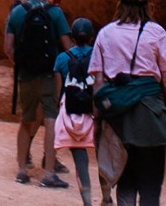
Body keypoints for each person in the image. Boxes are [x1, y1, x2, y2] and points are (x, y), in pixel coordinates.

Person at [91, 0, 166, 206]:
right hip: (151, 117)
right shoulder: (157, 32)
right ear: (147, 5)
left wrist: (97, 117)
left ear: (120, 3)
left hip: (118, 117)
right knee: (151, 184)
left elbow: (99, 81)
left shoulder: (106, 33)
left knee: (125, 179)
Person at [6, 0, 73, 188]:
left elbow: (8, 47)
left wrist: (22, 63)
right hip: (49, 73)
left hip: (26, 75)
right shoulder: (55, 13)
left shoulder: (17, 12)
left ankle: (21, 171)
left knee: (27, 119)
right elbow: (67, 46)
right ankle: (49, 173)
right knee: (51, 118)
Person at [54, 17, 106, 206]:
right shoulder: (100, 56)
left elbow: (58, 92)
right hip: (96, 112)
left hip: (73, 113)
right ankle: (107, 196)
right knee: (104, 156)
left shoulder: (61, 59)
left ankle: (87, 201)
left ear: (72, 37)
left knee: (80, 160)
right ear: (93, 38)